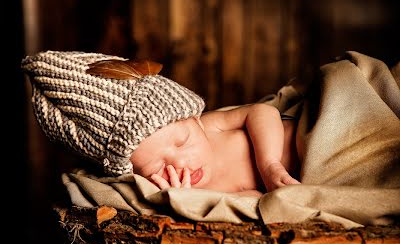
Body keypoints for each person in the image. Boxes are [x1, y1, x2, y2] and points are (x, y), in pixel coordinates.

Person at [22, 50, 301, 197]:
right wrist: (186, 202)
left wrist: (269, 165)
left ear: (193, 120)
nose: (179, 164)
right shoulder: (198, 194)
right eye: (157, 168)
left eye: (182, 141)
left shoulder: (209, 126)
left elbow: (262, 113)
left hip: (303, 134)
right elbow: (255, 204)